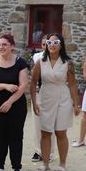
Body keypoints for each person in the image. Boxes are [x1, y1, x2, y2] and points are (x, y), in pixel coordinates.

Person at [30, 32, 81, 171]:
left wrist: (76, 104)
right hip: (46, 96)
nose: (52, 45)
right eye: (49, 43)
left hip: (63, 97)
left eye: (55, 42)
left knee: (60, 131)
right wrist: (34, 102)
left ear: (61, 45)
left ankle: (62, 163)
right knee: (45, 131)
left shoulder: (67, 63)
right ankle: (45, 163)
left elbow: (72, 84)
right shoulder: (41, 61)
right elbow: (33, 82)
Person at [0, 34, 28, 171]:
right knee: (0, 135)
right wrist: (5, 85)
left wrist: (10, 101)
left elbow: (23, 85)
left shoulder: (20, 62)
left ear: (12, 46)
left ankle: (17, 167)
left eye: (4, 44)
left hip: (16, 104)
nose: (1, 47)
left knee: (16, 136)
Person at [31, 35, 55, 163]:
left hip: (52, 93)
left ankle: (50, 151)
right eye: (43, 44)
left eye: (48, 43)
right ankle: (38, 150)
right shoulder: (36, 57)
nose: (45, 46)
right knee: (36, 122)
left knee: (49, 123)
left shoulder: (58, 59)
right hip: (39, 92)